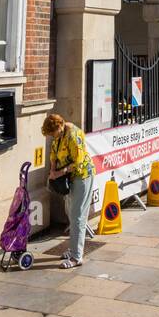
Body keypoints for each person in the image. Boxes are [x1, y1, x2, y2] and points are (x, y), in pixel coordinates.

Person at [43, 113, 95, 269]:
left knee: (78, 216)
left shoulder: (73, 135)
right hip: (69, 178)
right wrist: (52, 170)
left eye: (53, 133)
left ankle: (76, 256)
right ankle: (73, 248)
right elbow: (53, 153)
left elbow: (78, 162)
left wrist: (59, 172)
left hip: (82, 176)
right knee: (71, 213)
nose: (53, 136)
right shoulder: (58, 135)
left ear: (59, 126)